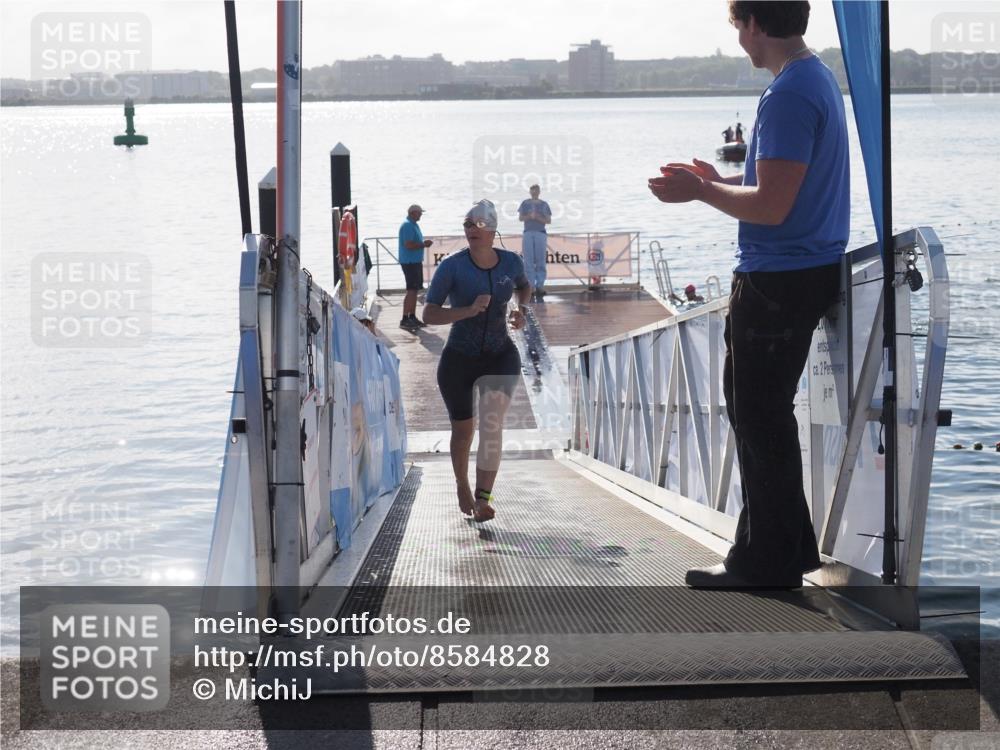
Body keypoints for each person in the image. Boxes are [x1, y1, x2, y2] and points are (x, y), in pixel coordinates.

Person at [648, 0, 848, 588]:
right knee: (761, 415)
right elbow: (778, 181)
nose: (738, 37)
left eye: (737, 25)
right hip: (802, 269)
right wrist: (715, 181)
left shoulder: (787, 93)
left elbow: (771, 205)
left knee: (758, 417)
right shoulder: (814, 78)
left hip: (779, 277)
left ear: (755, 24)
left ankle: (766, 561)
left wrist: (699, 194)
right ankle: (781, 552)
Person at [422, 200, 532, 522]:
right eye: (467, 224)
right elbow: (429, 313)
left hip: (500, 354)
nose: (471, 229)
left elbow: (524, 288)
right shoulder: (453, 267)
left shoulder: (511, 262)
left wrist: (519, 309)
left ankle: (484, 499)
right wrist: (467, 311)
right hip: (459, 358)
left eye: (478, 224)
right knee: (464, 431)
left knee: (492, 425)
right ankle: (461, 485)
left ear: (493, 229)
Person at [398, 204, 433, 331]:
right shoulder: (407, 225)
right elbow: (408, 244)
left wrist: (422, 244)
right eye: (419, 213)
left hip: (415, 261)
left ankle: (411, 316)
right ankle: (405, 318)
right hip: (409, 262)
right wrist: (423, 244)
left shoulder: (413, 224)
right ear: (413, 213)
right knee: (411, 290)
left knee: (414, 290)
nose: (421, 215)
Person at [518, 184, 552, 298]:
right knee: (528, 260)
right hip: (528, 233)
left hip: (540, 233)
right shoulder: (525, 203)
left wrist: (537, 218)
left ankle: (540, 286)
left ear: (539, 191)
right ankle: (530, 286)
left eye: (536, 190)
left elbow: (548, 220)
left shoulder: (544, 204)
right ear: (530, 191)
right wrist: (530, 216)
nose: (534, 192)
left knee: (540, 260)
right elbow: (521, 218)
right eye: (532, 190)